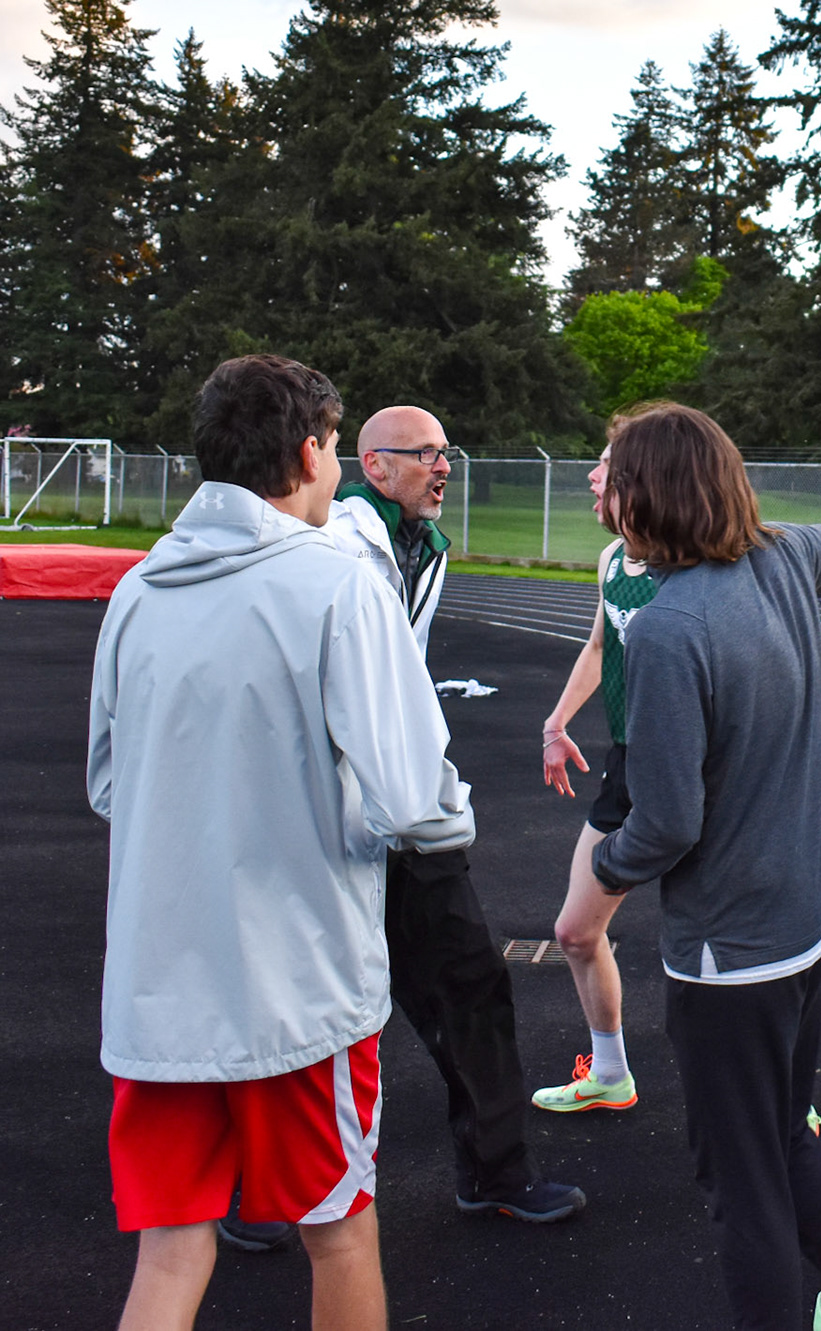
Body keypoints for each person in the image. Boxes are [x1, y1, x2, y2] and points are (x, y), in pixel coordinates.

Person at [88, 354, 476, 1329]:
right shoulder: (337, 584)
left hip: (157, 991)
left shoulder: (138, 590)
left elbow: (108, 781)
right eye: (335, 447)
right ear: (309, 451)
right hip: (298, 985)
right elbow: (412, 797)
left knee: (170, 1250)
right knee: (337, 1230)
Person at [589, 404, 821, 1331]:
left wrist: (605, 865)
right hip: (809, 918)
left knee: (743, 1182)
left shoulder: (666, 628)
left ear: (651, 496)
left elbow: (666, 824)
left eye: (617, 483)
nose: (605, 503)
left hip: (732, 951)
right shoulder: (782, 557)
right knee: (781, 1136)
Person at [321, 405, 586, 1223]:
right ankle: (263, 1189)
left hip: (407, 812)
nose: (444, 467)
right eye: (425, 454)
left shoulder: (423, 548)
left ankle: (495, 1170)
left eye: (447, 452)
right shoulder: (331, 546)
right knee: (307, 1005)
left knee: (471, 980)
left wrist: (428, 795)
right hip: (329, 819)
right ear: (374, 465)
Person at [531, 440, 656, 1112]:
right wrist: (558, 722)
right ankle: (610, 1072)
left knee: (726, 946)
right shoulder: (612, 560)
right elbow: (600, 644)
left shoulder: (694, 564)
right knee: (576, 932)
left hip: (704, 772)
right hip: (629, 768)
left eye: (604, 463)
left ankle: (789, 1100)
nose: (589, 473)